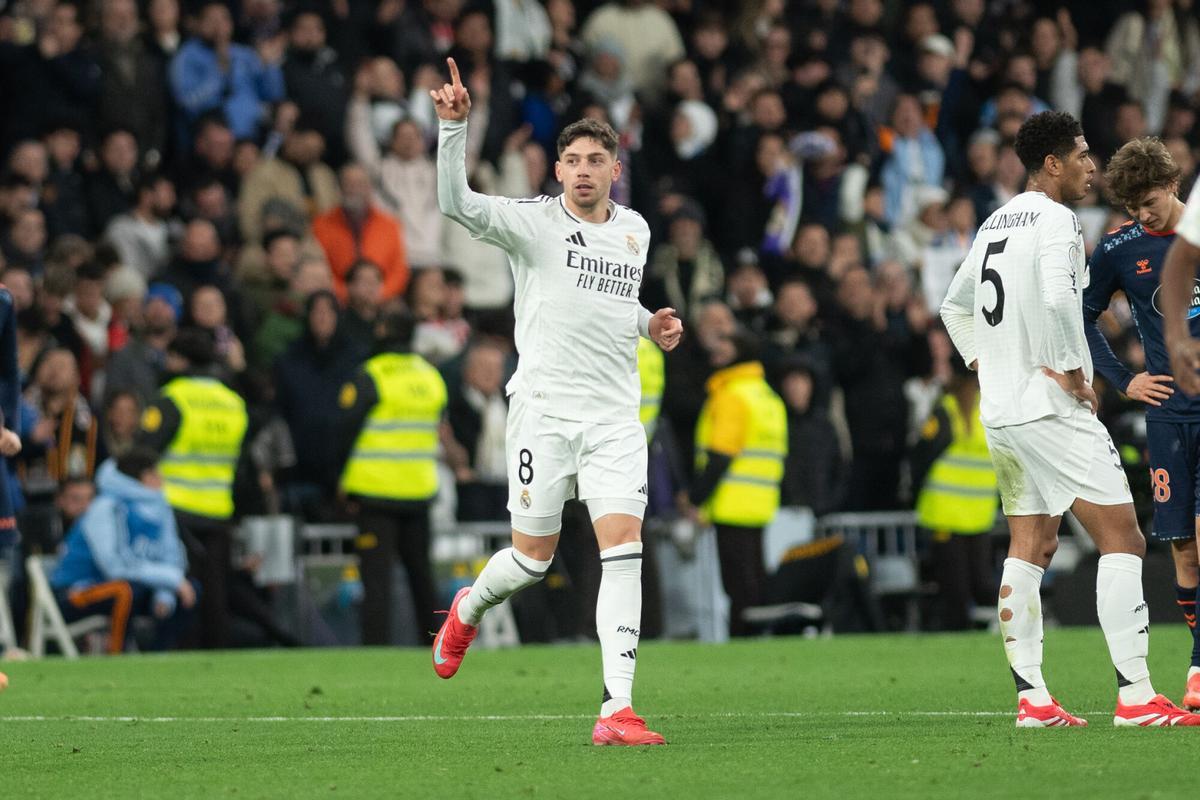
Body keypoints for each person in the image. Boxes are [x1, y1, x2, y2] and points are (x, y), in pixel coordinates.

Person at [429, 57, 682, 746]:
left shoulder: (634, 231)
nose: (582, 169)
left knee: (622, 550)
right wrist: (453, 128)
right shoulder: (532, 225)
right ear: (558, 169)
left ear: (614, 169)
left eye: (595, 159)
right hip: (543, 411)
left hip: (613, 418)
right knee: (532, 560)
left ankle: (617, 708)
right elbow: (458, 205)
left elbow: (610, 299)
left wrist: (647, 322)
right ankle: (467, 610)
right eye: (571, 158)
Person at [940, 110, 1199, 727]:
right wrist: (1073, 374)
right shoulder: (1059, 221)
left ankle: (1033, 699)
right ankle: (1136, 697)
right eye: (1081, 155)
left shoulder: (995, 221)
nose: (1091, 165)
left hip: (1002, 413)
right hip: (1052, 409)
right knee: (1123, 539)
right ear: (1051, 164)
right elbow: (1061, 300)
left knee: (1031, 544)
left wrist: (989, 360)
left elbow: (954, 308)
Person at [1083, 137, 1200, 707]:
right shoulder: (1118, 249)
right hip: (1167, 416)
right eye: (1133, 207)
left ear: (1174, 185)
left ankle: (1199, 669)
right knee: (1183, 549)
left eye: (1150, 201)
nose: (1143, 214)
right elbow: (1081, 320)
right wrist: (1124, 379)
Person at [334, 311, 447, 645]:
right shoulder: (431, 377)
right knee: (422, 578)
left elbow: (341, 432)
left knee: (376, 581)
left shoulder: (370, 375)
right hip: (419, 490)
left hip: (374, 492)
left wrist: (338, 481)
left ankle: (376, 649)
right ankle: (440, 647)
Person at [135, 327, 248, 649]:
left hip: (176, 508)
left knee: (183, 588)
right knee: (216, 591)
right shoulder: (233, 402)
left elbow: (144, 452)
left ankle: (184, 651)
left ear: (180, 359)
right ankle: (218, 654)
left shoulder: (173, 398)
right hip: (218, 507)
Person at [681, 329, 787, 638]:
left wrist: (695, 498)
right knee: (754, 580)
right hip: (760, 502)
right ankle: (757, 638)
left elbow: (720, 457)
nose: (716, 351)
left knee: (737, 586)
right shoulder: (766, 395)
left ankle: (743, 642)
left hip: (731, 502)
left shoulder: (731, 395)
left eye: (724, 346)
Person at [49, 448, 197, 653]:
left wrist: (166, 592)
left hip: (120, 583)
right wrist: (171, 579)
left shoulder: (160, 507)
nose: (161, 479)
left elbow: (171, 557)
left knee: (188, 589)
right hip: (76, 590)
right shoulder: (104, 507)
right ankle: (117, 656)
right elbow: (113, 566)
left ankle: (159, 656)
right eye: (155, 473)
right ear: (141, 478)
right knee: (125, 591)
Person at [912, 358, 998, 631]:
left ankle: (957, 635)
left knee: (955, 589)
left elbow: (920, 457)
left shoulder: (946, 412)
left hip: (946, 514)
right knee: (977, 584)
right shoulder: (993, 411)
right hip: (977, 514)